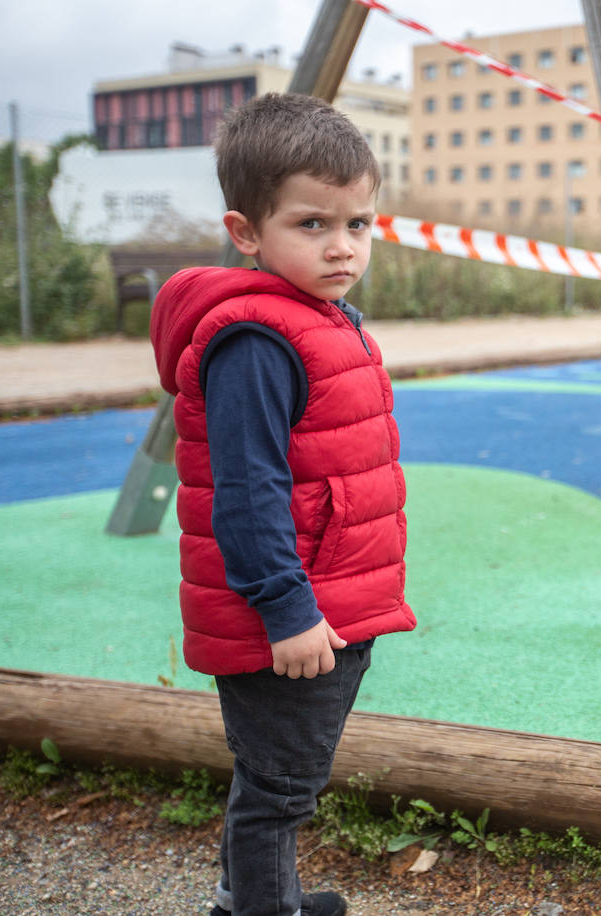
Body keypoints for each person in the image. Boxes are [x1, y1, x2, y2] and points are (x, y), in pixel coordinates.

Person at [149, 92, 416, 916]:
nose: (343, 247)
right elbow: (249, 491)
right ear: (246, 232)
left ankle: (255, 897)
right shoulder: (259, 342)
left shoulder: (318, 317)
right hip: (294, 617)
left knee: (276, 777)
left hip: (329, 601)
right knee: (278, 791)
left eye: (359, 224)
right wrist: (288, 612)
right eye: (313, 225)